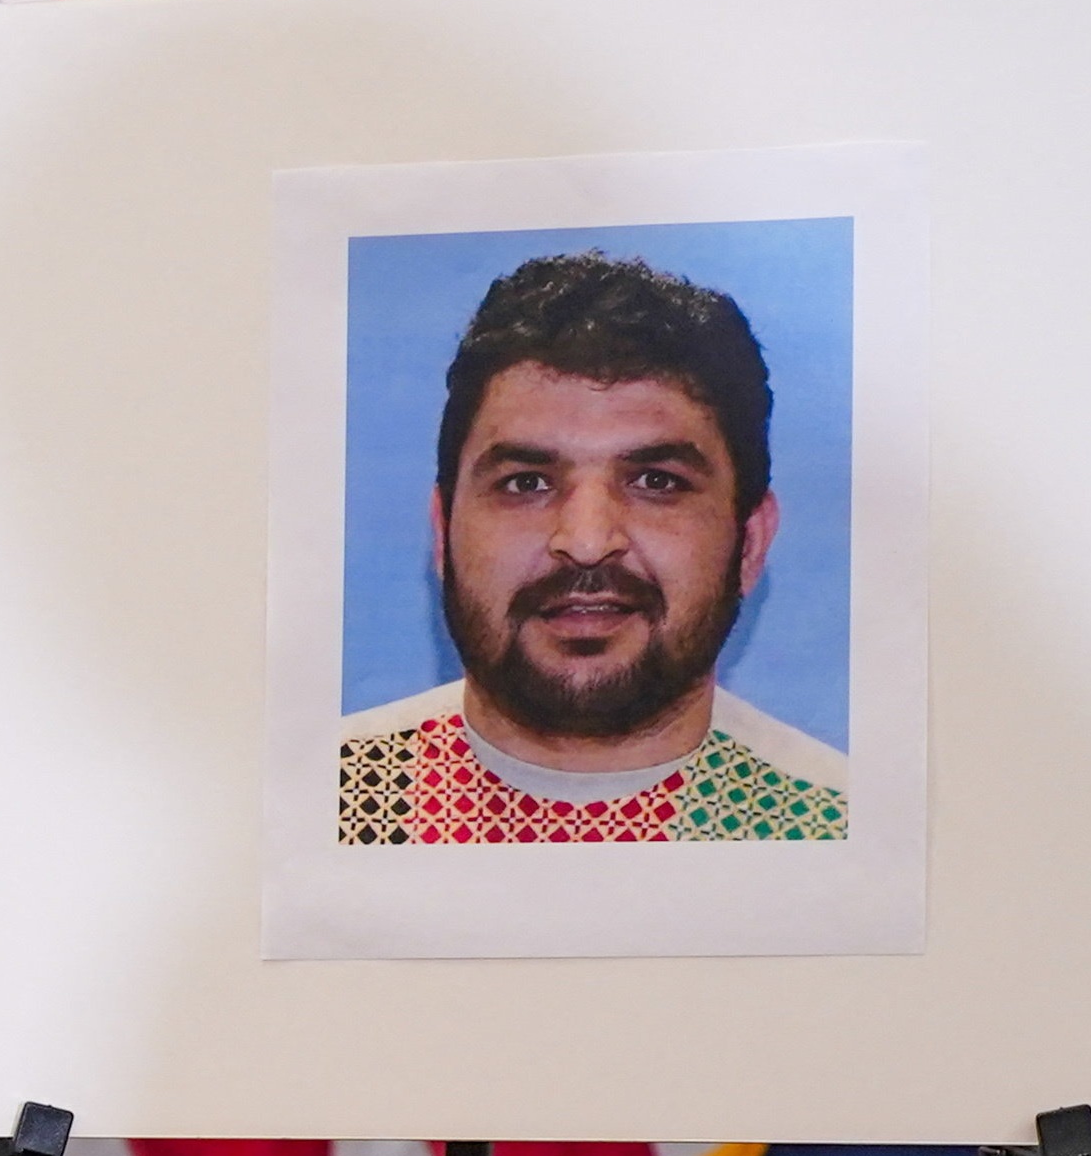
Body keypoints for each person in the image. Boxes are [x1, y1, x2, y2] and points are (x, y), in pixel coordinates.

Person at [339, 249, 845, 845]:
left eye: (657, 482)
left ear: (751, 543)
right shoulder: (317, 804)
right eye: (526, 483)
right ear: (442, 531)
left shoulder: (842, 831)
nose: (585, 543)